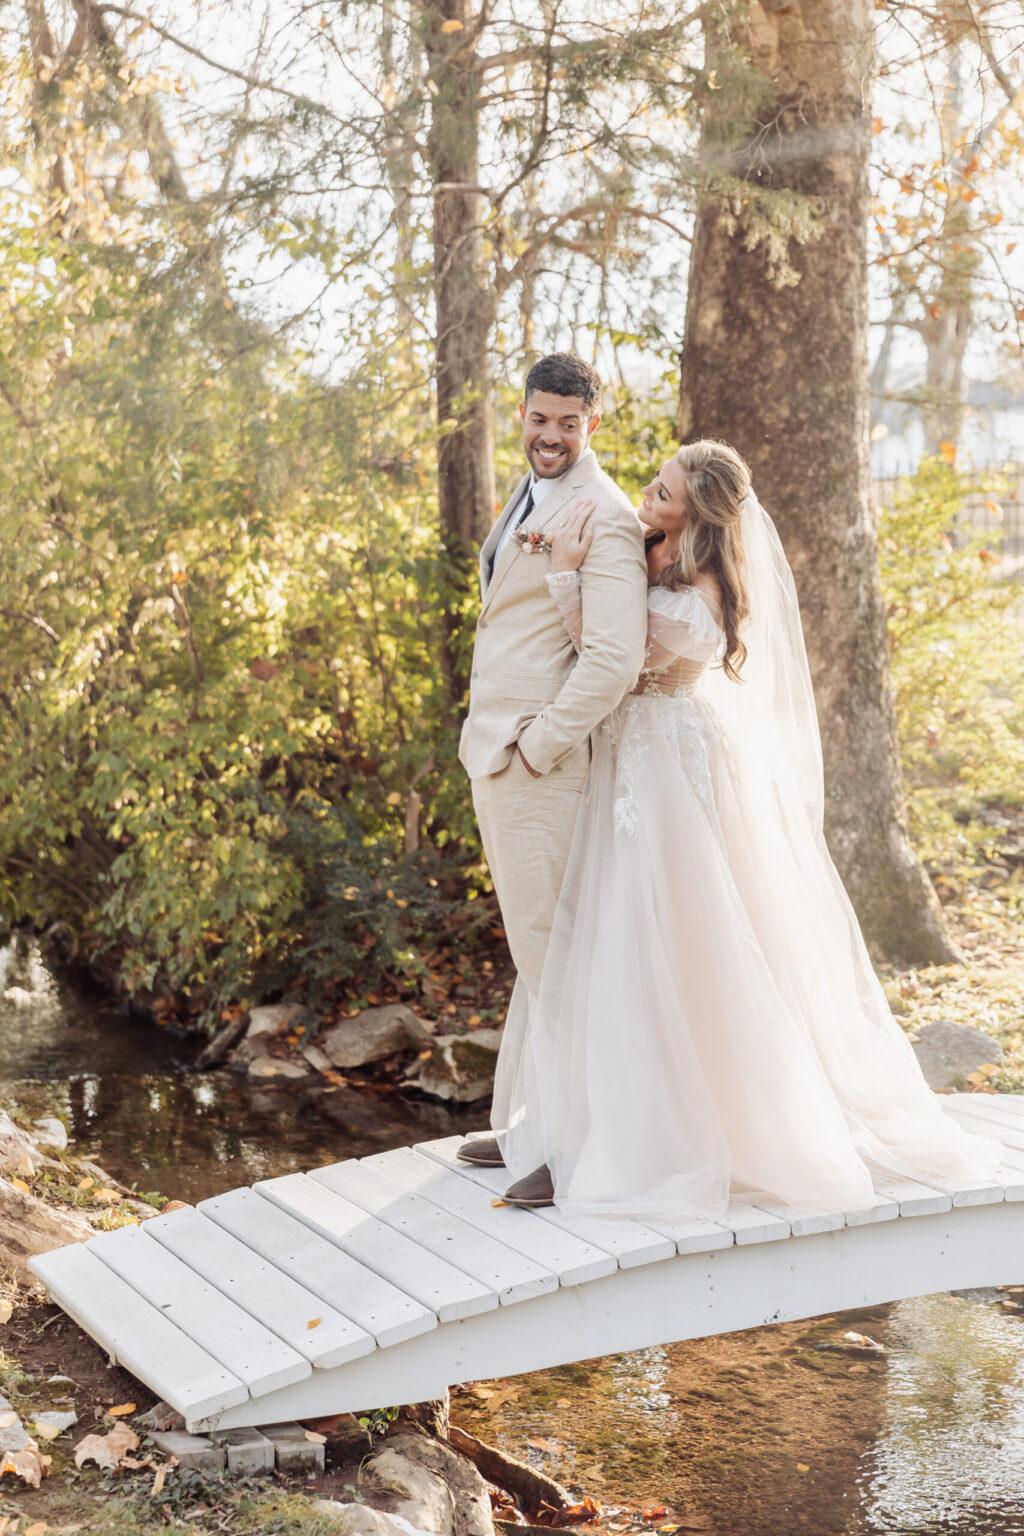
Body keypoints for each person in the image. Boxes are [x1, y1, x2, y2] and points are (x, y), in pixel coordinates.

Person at [483, 438, 999, 1215]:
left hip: (662, 769)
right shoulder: (654, 552)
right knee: (593, 935)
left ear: (699, 513)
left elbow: (613, 657)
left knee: (665, 944)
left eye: (664, 491)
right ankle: (565, 1122)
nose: (648, 496)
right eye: (654, 485)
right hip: (620, 761)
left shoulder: (706, 593)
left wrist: (564, 574)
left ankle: (652, 1134)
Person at [456, 354, 648, 1180]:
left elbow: (614, 659)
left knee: (558, 957)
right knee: (536, 957)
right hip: (496, 753)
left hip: (539, 763)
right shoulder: (531, 495)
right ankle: (539, 1124)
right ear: (524, 414)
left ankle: (580, 1152)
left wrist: (538, 746)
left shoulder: (603, 514)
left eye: (569, 423)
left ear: (591, 424)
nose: (551, 436)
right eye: (540, 419)